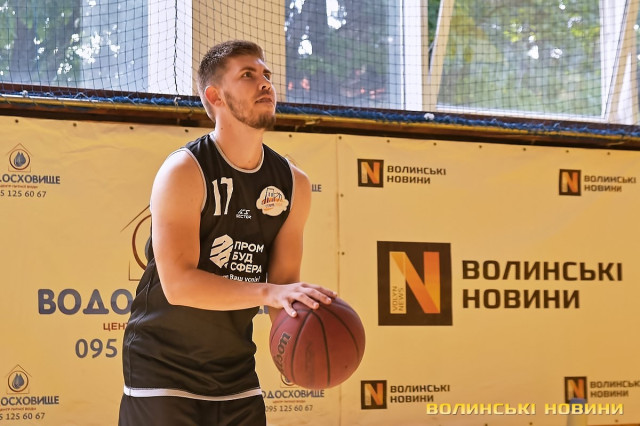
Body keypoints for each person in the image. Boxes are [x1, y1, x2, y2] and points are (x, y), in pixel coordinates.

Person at [118, 40, 336, 426]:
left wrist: (302, 341)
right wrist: (270, 293)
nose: (265, 83)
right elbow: (179, 285)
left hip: (236, 373)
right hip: (162, 370)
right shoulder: (184, 170)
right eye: (248, 75)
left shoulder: (293, 184)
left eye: (266, 74)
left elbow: (283, 286)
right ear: (215, 96)